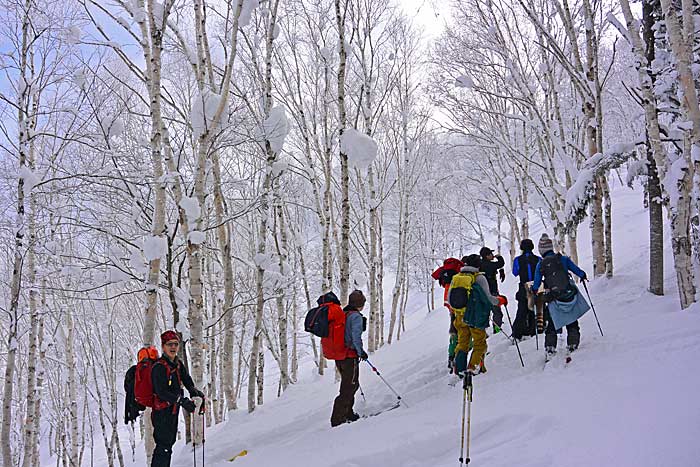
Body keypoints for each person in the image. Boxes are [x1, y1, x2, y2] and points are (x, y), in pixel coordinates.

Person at [151, 331, 205, 467]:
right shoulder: (159, 367)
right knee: (163, 446)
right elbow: (161, 392)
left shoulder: (177, 364)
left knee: (168, 444)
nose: (173, 347)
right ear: (163, 346)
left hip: (172, 410)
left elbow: (187, 380)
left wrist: (195, 392)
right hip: (161, 413)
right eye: (170, 344)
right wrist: (182, 401)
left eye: (175, 344)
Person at [531, 234, 589, 356]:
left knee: (552, 323)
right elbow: (577, 271)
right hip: (568, 294)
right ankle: (573, 343)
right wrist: (583, 275)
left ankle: (550, 348)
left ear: (541, 250)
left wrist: (534, 290)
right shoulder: (562, 259)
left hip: (553, 297)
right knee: (571, 319)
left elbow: (536, 285)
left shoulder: (540, 264)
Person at [449, 255, 507, 376]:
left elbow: (450, 300)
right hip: (475, 317)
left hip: (460, 316)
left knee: (462, 342)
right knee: (479, 343)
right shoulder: (479, 277)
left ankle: (459, 369)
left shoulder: (456, 278)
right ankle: (473, 368)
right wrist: (500, 301)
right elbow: (489, 298)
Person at [320, 290, 368, 427]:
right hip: (349, 356)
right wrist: (361, 352)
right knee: (349, 387)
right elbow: (355, 337)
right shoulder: (356, 317)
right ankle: (338, 419)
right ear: (361, 304)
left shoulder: (343, 314)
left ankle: (348, 413)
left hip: (340, 356)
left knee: (350, 385)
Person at [431, 257, 464, 372]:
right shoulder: (460, 271)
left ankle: (451, 357)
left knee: (453, 331)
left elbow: (435, 275)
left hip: (449, 303)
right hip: (459, 306)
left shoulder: (445, 271)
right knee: (462, 332)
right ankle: (458, 358)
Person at [511, 239, 541, 340]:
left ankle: (518, 332)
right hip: (536, 286)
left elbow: (515, 272)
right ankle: (534, 329)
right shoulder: (538, 259)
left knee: (522, 309)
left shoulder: (517, 260)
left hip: (523, 286)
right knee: (536, 308)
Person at [479, 247, 506, 333]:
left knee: (484, 313)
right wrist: (499, 257)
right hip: (492, 291)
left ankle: (482, 331)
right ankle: (497, 329)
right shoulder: (490, 265)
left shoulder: (479, 265)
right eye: (490, 254)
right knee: (497, 311)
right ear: (487, 256)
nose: (492, 255)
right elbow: (501, 264)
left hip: (481, 293)